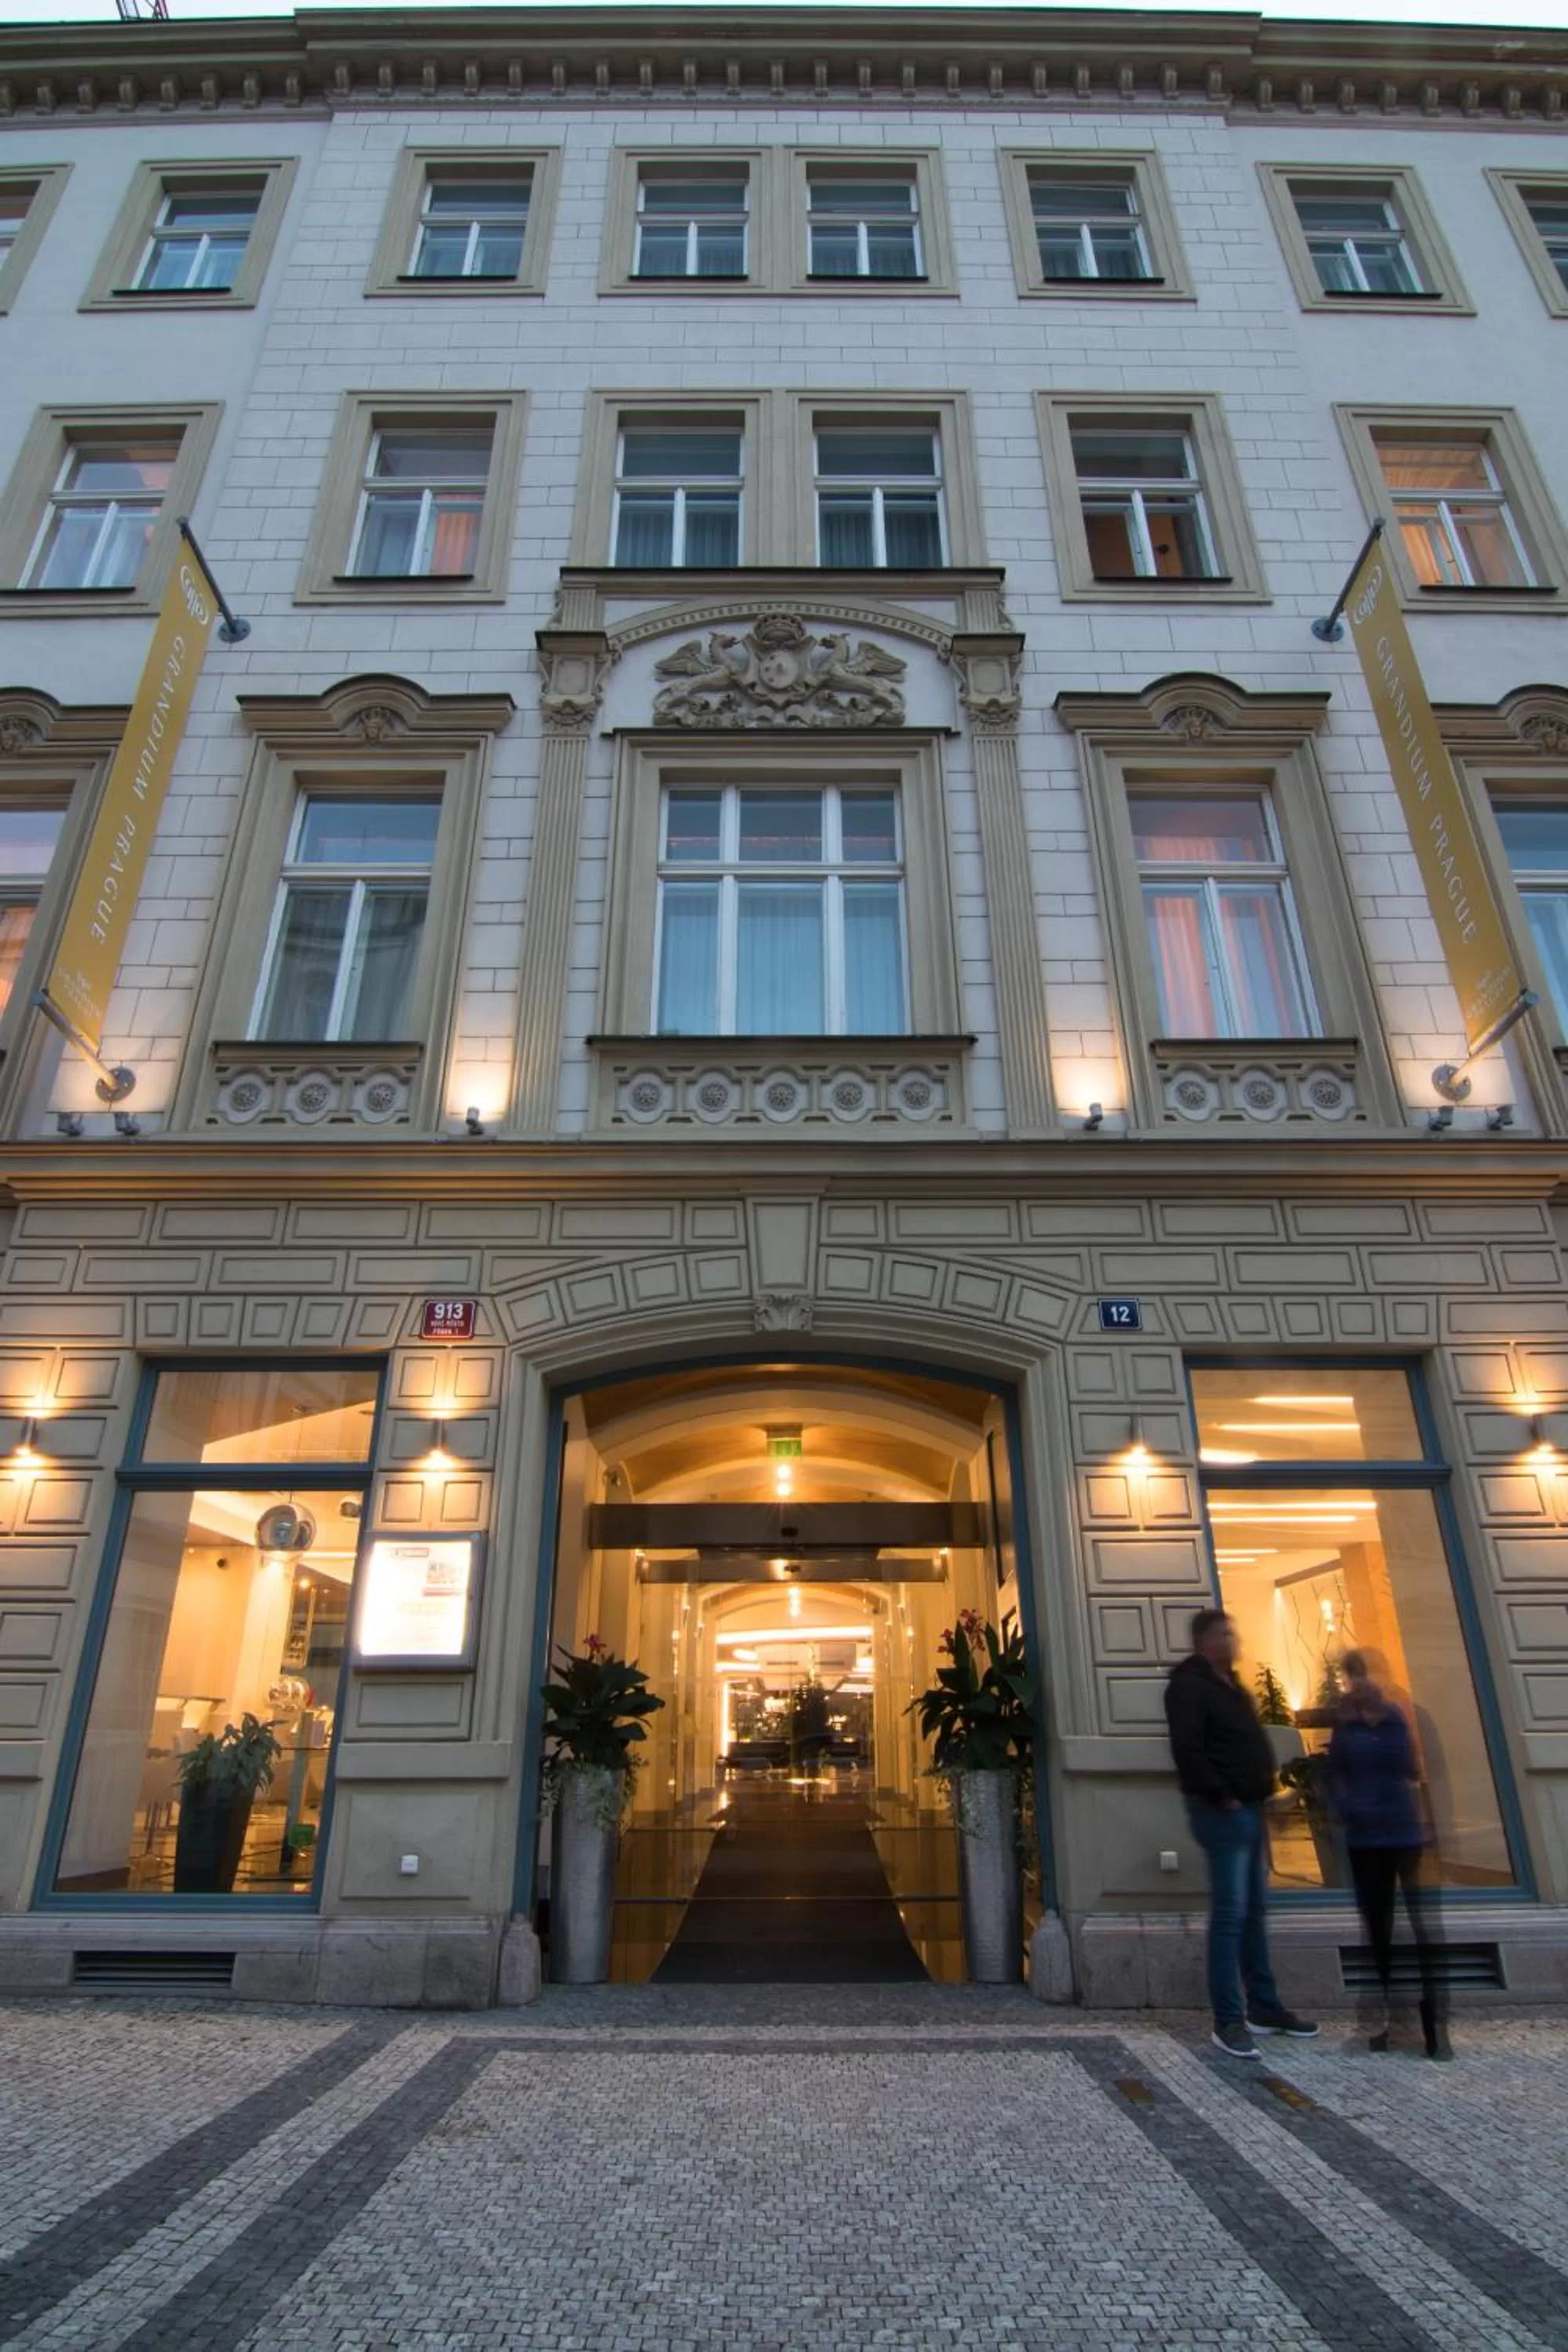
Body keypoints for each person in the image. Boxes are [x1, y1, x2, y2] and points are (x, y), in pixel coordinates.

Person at [1165, 1608, 1319, 2060]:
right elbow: (1188, 1748)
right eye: (1224, 1634)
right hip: (1221, 1812)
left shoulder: (1233, 1688)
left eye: (1233, 1632)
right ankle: (1228, 2019)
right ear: (1205, 1640)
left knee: (1253, 1911)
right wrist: (1222, 1796)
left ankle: (1264, 2007)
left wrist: (1262, 1794)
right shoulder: (1189, 1688)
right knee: (1232, 1913)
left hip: (1249, 1809)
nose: (1233, 1640)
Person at [1327, 1650, 1450, 2060]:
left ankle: (1436, 2022)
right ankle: (1392, 2023)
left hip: (1403, 1832)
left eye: (1362, 1674)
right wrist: (1347, 1811)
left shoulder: (1400, 1716)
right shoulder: (1345, 1722)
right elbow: (1337, 1775)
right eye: (1353, 1676)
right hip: (1366, 1838)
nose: (1358, 1682)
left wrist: (1431, 1822)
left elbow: (1413, 1768)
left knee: (1423, 1931)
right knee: (1379, 1931)